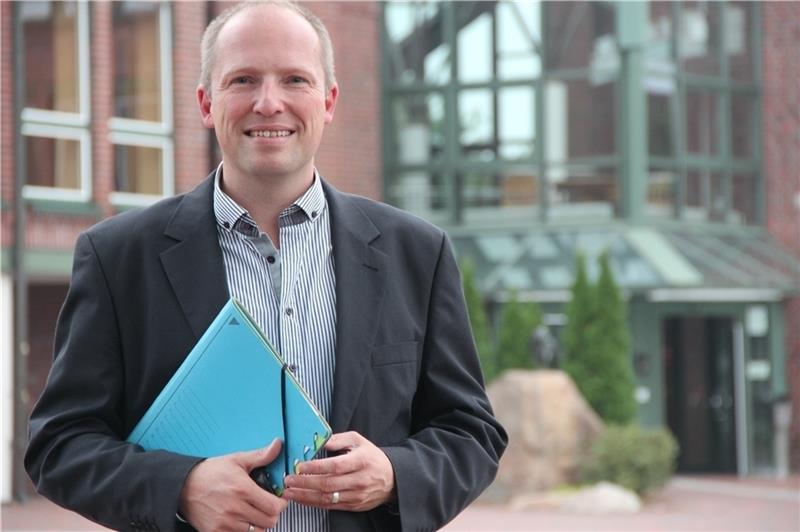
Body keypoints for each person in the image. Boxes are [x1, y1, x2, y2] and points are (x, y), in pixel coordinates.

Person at [24, 1, 507, 531]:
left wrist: (395, 473)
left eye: (295, 79)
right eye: (243, 80)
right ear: (207, 103)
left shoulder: (417, 253)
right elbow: (59, 444)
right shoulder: (118, 258)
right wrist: (181, 488)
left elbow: (471, 433)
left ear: (329, 101)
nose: (269, 103)